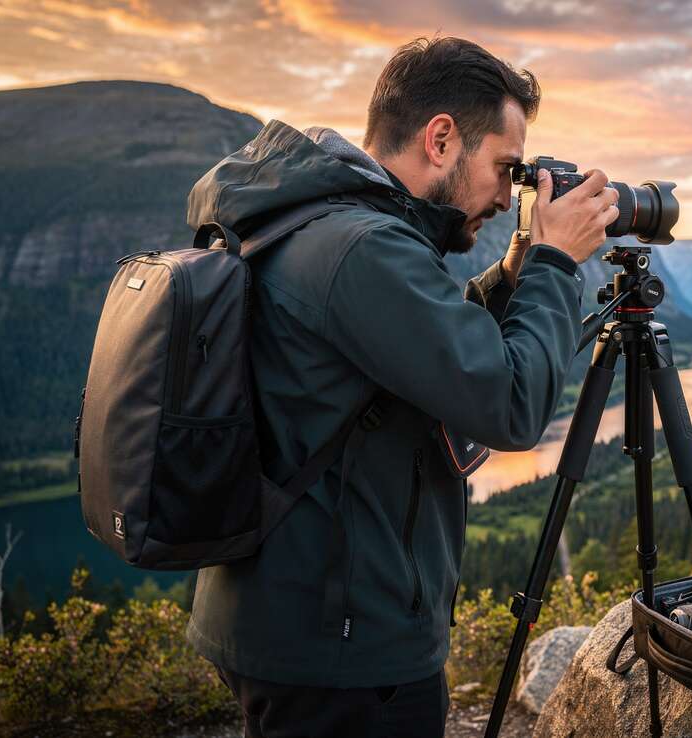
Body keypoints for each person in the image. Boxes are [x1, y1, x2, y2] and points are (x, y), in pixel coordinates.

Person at [183, 36, 619, 737]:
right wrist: (553, 264)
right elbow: (510, 406)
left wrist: (509, 276)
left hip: (288, 614)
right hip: (345, 648)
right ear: (441, 138)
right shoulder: (363, 247)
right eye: (504, 169)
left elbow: (409, 348)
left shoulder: (317, 220)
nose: (509, 198)